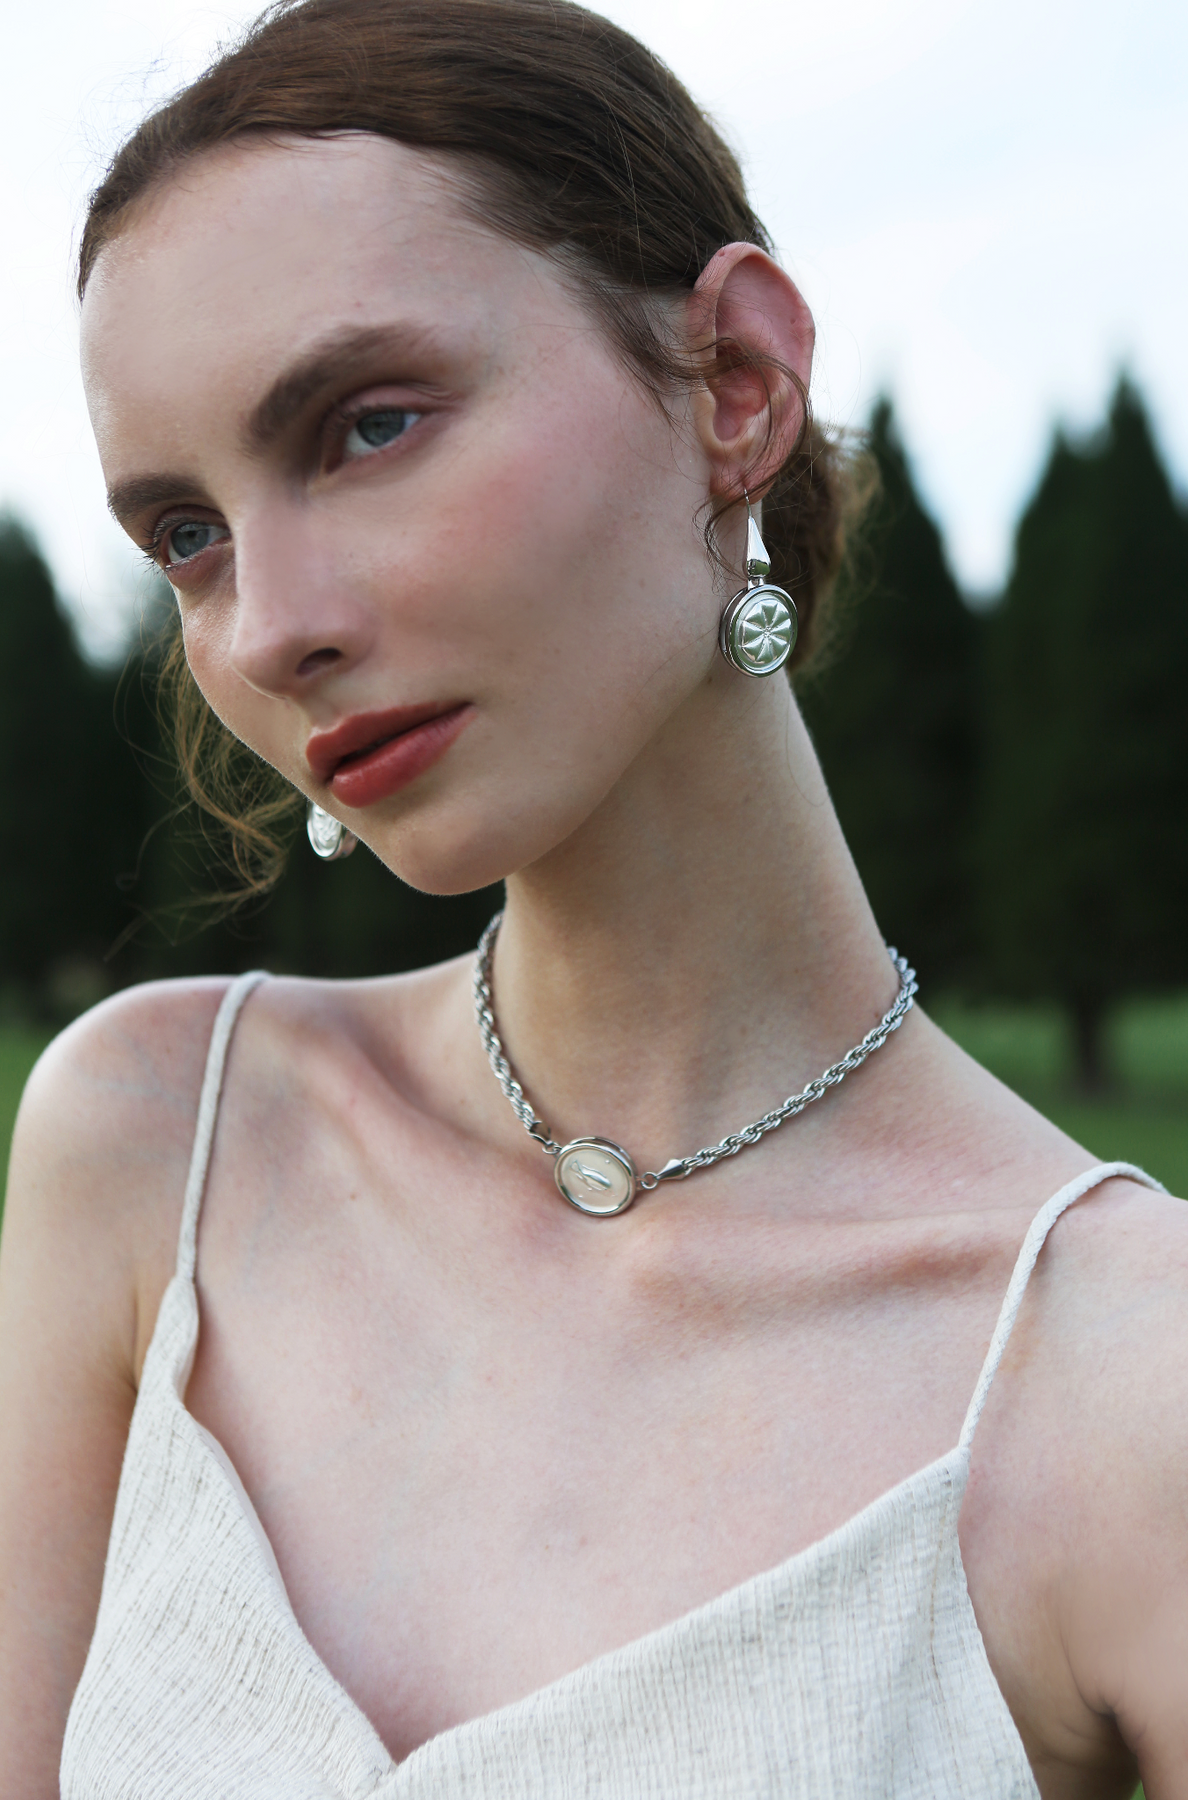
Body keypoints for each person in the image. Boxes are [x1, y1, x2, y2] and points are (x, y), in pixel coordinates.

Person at [0, 0, 1185, 1792]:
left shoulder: (1125, 1390)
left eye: (369, 425)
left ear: (734, 384)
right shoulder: (158, 1148)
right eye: (188, 536)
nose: (266, 629)